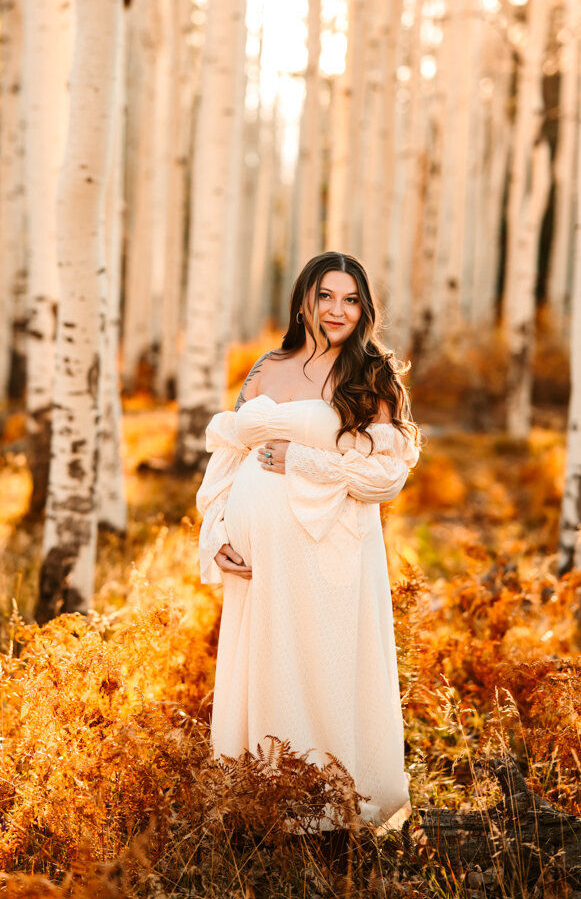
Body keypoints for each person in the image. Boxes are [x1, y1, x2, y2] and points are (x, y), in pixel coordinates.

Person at [195, 250, 421, 829]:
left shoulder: (373, 376)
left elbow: (385, 477)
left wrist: (303, 461)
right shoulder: (267, 366)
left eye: (350, 299)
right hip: (258, 562)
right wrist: (215, 532)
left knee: (323, 667)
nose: (337, 310)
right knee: (264, 666)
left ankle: (331, 810)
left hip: (331, 553)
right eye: (326, 296)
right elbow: (228, 455)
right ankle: (259, 806)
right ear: (305, 299)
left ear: (364, 307)